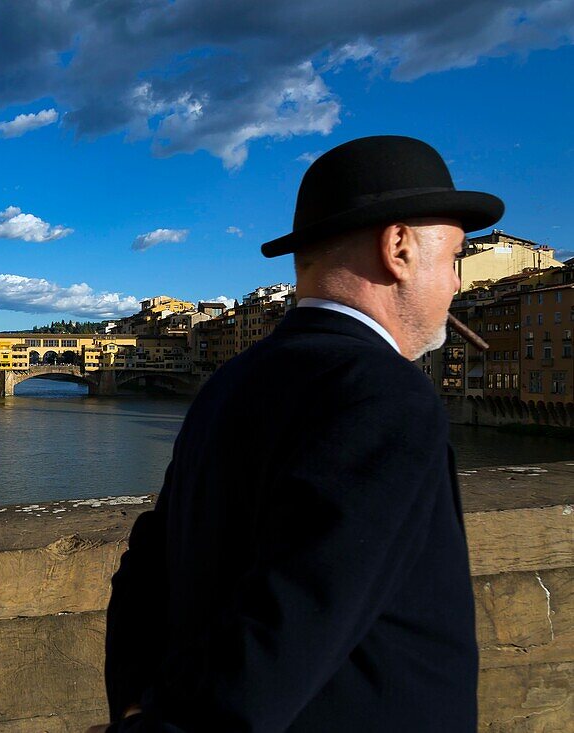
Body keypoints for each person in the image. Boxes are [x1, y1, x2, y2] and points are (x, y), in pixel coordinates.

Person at [99, 136, 503, 733]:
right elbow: (289, 622)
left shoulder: (228, 383)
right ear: (398, 248)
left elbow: (147, 563)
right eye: (454, 259)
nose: (455, 284)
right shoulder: (385, 392)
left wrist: (136, 702)